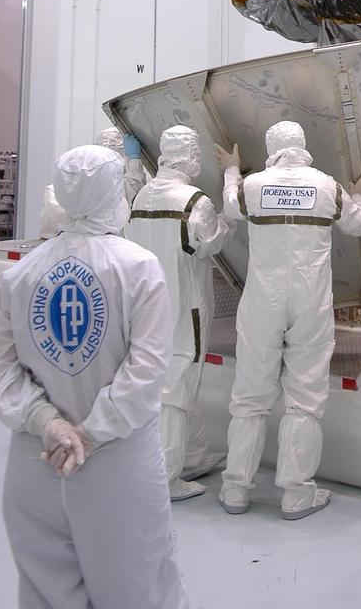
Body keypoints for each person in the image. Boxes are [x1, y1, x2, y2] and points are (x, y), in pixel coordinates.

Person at [0, 145, 189, 609]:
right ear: (113, 191)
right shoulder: (138, 268)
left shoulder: (19, 277)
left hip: (37, 461)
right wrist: (90, 433)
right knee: (138, 591)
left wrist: (49, 424)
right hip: (116, 467)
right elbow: (147, 372)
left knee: (46, 593)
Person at [217, 120, 361, 519]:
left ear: (271, 147)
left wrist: (232, 168)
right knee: (304, 395)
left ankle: (235, 488)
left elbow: (231, 208)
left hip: (261, 300)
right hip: (310, 300)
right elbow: (356, 225)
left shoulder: (252, 186)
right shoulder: (326, 186)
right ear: (303, 146)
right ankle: (296, 493)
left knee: (250, 393)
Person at [126, 124, 233, 501]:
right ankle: (166, 478)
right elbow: (211, 244)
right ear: (187, 155)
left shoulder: (140, 198)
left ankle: (189, 456)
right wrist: (228, 219)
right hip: (184, 308)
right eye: (197, 153)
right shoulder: (194, 201)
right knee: (176, 388)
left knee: (159, 386)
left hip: (145, 308)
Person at [37, 128, 145, 240]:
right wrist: (133, 159)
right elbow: (134, 186)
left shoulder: (54, 192)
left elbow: (48, 234)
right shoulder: (113, 193)